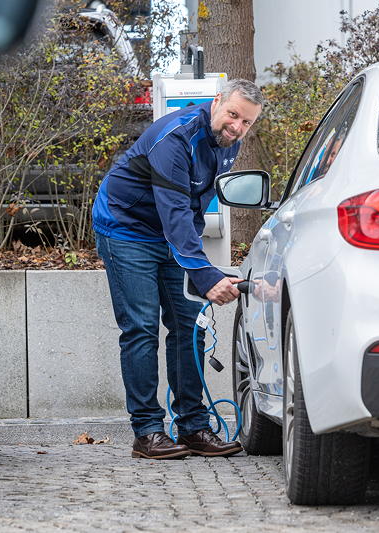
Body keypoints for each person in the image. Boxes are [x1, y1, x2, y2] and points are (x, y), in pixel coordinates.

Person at [92, 79, 264, 459]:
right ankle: (148, 431)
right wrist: (204, 276)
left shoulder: (226, 144)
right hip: (125, 229)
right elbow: (174, 213)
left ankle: (193, 426)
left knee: (189, 326)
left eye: (246, 123)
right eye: (233, 115)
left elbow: (194, 209)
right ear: (217, 102)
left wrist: (201, 268)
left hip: (171, 235)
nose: (236, 127)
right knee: (141, 327)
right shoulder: (176, 137)